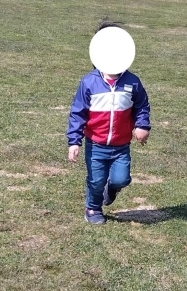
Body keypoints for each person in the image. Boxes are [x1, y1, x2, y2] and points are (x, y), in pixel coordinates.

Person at [66, 21, 151, 225]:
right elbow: (78, 112)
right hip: (95, 145)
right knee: (95, 180)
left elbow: (142, 106)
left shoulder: (132, 82)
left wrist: (142, 125)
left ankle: (111, 189)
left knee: (122, 179)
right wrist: (74, 141)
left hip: (121, 146)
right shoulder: (89, 82)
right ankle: (93, 208)